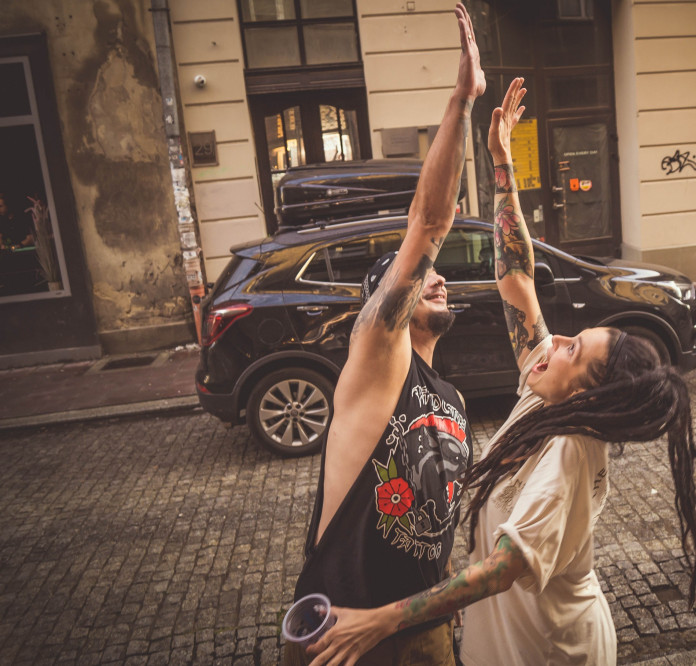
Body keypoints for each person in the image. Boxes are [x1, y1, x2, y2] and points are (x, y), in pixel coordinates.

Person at [302, 78, 696, 666]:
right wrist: (501, 163)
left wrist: (383, 620)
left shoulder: (571, 448)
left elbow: (502, 570)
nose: (556, 341)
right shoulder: (545, 392)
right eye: (570, 337)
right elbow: (517, 279)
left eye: (573, 350)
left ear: (586, 396)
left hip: (550, 649)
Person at [282, 5, 486, 665]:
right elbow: (429, 223)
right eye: (419, 278)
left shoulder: (452, 400)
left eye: (437, 276)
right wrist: (461, 103)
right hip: (344, 634)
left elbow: (436, 516)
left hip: (419, 631)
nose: (438, 278)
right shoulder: (376, 361)